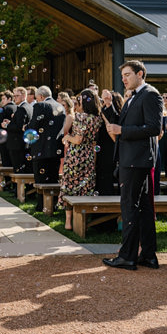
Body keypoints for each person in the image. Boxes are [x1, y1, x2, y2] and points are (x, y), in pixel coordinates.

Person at [104, 60, 163, 270]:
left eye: (127, 74)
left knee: (129, 206)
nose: (124, 79)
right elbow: (122, 123)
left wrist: (122, 131)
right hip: (132, 159)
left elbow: (154, 128)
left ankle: (127, 256)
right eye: (122, 76)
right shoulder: (133, 96)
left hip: (136, 160)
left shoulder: (150, 94)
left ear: (140, 74)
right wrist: (109, 108)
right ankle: (148, 255)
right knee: (144, 208)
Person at [60, 89, 103, 229]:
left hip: (76, 156)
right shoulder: (97, 118)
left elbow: (77, 140)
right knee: (85, 187)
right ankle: (84, 221)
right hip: (89, 155)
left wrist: (67, 137)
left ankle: (68, 222)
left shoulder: (79, 117)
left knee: (69, 186)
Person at [28, 86, 65, 210]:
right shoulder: (61, 107)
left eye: (37, 98)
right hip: (55, 148)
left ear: (41, 97)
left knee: (41, 179)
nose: (37, 101)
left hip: (41, 149)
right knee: (53, 178)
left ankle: (41, 205)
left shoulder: (41, 106)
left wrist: (25, 127)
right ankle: (53, 204)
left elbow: (33, 125)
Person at [95, 89, 121, 196]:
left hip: (109, 151)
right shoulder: (105, 112)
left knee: (106, 179)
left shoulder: (115, 115)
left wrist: (108, 103)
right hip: (103, 150)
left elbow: (111, 116)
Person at [3, 86, 33, 175]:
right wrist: (11, 122)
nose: (14, 98)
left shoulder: (22, 108)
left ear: (23, 96)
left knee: (18, 168)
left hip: (17, 143)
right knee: (25, 168)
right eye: (14, 96)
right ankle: (26, 188)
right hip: (24, 143)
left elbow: (19, 127)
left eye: (16, 96)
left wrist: (7, 125)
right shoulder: (29, 107)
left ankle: (18, 188)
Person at [0, 90, 16, 168]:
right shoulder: (17, 107)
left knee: (6, 162)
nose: (2, 101)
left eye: (4, 99)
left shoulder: (5, 109)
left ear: (9, 99)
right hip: (15, 138)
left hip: (5, 139)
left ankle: (7, 180)